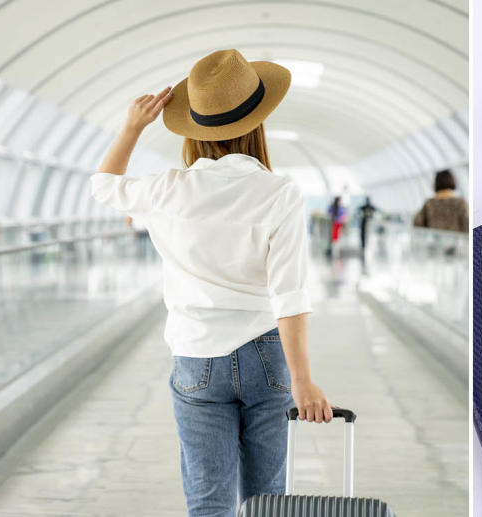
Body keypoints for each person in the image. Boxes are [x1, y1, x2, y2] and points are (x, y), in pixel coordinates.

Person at [88, 49, 332, 517]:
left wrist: (132, 127)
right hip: (267, 353)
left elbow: (103, 186)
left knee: (207, 502)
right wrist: (302, 380)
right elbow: (290, 291)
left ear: (195, 130)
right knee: (267, 502)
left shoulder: (166, 189)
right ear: (257, 124)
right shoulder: (281, 194)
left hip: (195, 357)